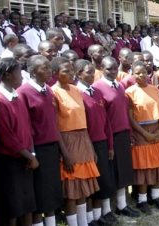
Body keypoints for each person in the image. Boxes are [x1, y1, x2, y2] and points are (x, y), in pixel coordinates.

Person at [51, 57, 100, 226]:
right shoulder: (54, 93)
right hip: (68, 141)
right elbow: (55, 126)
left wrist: (90, 147)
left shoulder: (75, 90)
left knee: (83, 186)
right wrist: (65, 153)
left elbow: (82, 120)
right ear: (55, 73)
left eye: (72, 70)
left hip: (83, 139)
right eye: (66, 71)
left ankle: (84, 221)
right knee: (72, 187)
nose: (71, 73)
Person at [17, 55, 65, 226]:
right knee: (39, 193)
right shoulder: (24, 92)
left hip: (51, 147)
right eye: (44, 67)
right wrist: (32, 154)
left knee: (51, 192)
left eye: (49, 66)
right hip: (37, 149)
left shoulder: (48, 89)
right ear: (32, 71)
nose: (49, 70)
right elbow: (25, 126)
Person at [0, 58, 38, 225]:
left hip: (24, 157)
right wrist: (29, 156)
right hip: (10, 161)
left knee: (27, 203)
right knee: (14, 206)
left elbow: (27, 126)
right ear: (8, 75)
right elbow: (7, 136)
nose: (21, 77)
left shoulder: (17, 96)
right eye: (18, 72)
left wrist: (31, 153)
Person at [92, 56, 140, 218]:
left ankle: (122, 205)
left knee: (123, 172)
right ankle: (106, 209)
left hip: (123, 134)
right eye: (108, 69)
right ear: (101, 69)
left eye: (114, 68)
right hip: (108, 137)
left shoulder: (119, 85)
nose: (112, 72)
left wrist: (130, 133)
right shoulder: (97, 88)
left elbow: (124, 112)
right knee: (109, 173)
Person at [74, 59, 118, 225]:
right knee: (90, 183)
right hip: (87, 144)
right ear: (78, 74)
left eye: (93, 72)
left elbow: (106, 121)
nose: (92, 75)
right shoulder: (77, 94)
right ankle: (89, 218)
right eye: (88, 72)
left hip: (102, 141)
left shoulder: (96, 92)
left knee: (103, 181)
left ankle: (100, 215)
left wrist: (110, 144)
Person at [125, 61, 159, 214]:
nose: (141, 75)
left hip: (157, 130)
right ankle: (142, 200)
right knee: (143, 168)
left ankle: (156, 197)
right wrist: (145, 133)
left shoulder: (155, 90)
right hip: (140, 132)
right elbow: (130, 117)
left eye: (143, 72)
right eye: (137, 73)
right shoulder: (129, 92)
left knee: (157, 166)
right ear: (132, 74)